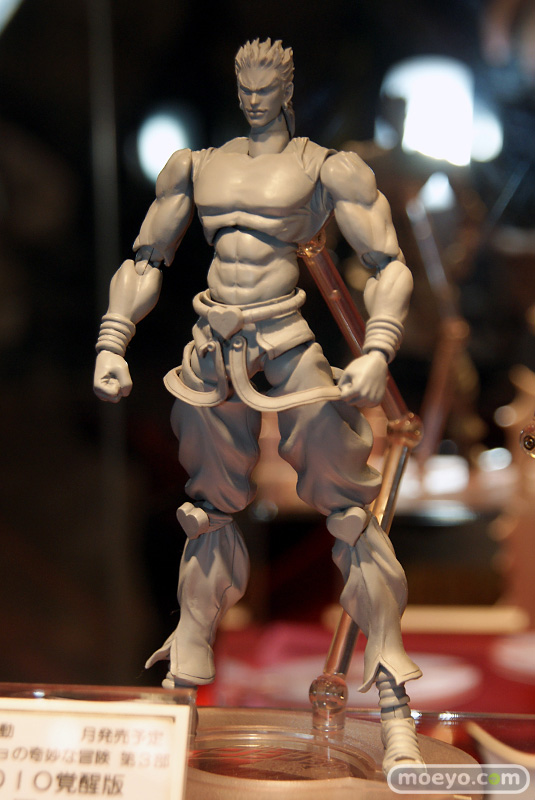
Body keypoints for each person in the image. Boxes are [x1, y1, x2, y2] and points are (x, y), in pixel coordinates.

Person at [93, 38, 423, 772]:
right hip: (211, 347)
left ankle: (393, 699)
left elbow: (386, 263)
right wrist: (113, 340)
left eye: (264, 88)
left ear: (287, 89)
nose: (252, 99)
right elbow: (146, 259)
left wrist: (377, 349)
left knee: (349, 512)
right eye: (243, 87)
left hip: (288, 342)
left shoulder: (324, 167)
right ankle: (182, 693)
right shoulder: (196, 165)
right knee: (206, 513)